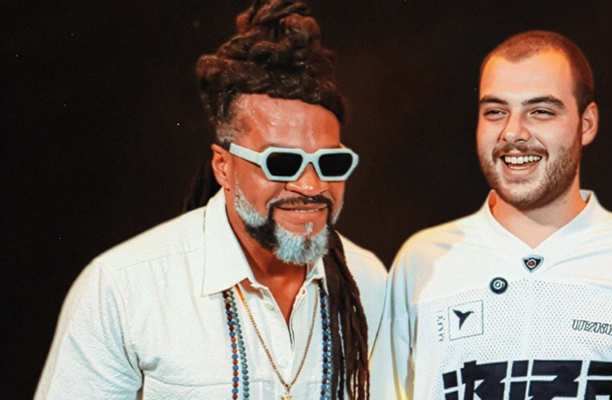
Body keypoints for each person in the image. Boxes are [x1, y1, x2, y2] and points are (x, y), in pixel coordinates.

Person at [35, 1, 387, 399]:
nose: (310, 186)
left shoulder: (368, 281)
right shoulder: (124, 288)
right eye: (281, 163)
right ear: (223, 166)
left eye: (331, 163)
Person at [375, 30, 612, 399]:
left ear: (586, 123)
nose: (512, 133)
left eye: (541, 112)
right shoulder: (423, 262)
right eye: (495, 112)